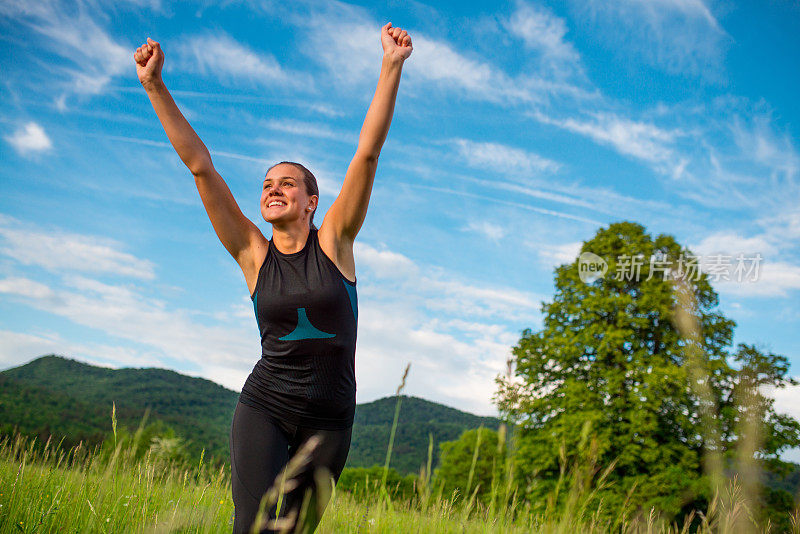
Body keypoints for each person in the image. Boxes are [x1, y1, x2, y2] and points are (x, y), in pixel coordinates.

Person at [134, 22, 412, 533]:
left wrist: (390, 66)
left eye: (288, 183)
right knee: (253, 526)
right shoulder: (252, 254)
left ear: (312, 202)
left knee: (291, 532)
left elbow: (367, 154)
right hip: (266, 406)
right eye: (266, 184)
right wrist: (154, 85)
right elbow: (201, 168)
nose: (273, 189)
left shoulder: (335, 243)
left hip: (330, 422)